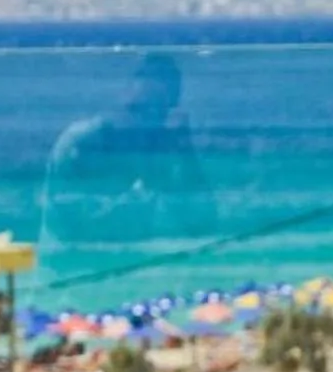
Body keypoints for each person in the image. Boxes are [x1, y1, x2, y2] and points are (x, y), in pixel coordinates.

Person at [39, 52, 211, 254]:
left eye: (157, 111)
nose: (142, 121)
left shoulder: (159, 149)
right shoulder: (81, 142)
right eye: (138, 109)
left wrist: (184, 149)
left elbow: (201, 222)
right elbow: (67, 225)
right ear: (121, 96)